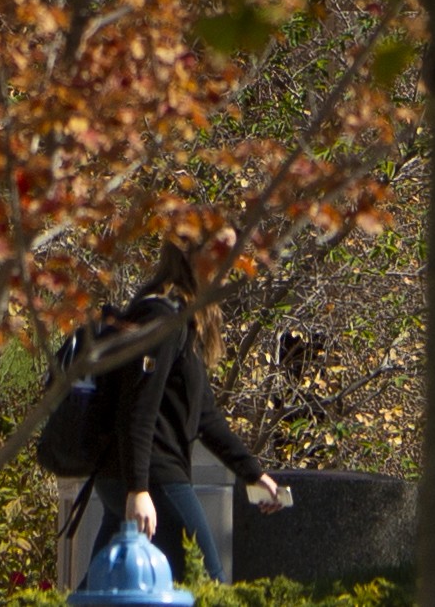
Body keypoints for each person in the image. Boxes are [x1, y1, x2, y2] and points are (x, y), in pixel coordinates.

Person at [69, 249, 292, 587]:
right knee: (208, 584)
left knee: (101, 590)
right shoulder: (162, 318)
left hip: (132, 478)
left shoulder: (185, 320)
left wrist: (253, 473)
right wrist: (139, 489)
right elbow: (137, 408)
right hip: (153, 478)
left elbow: (205, 417)